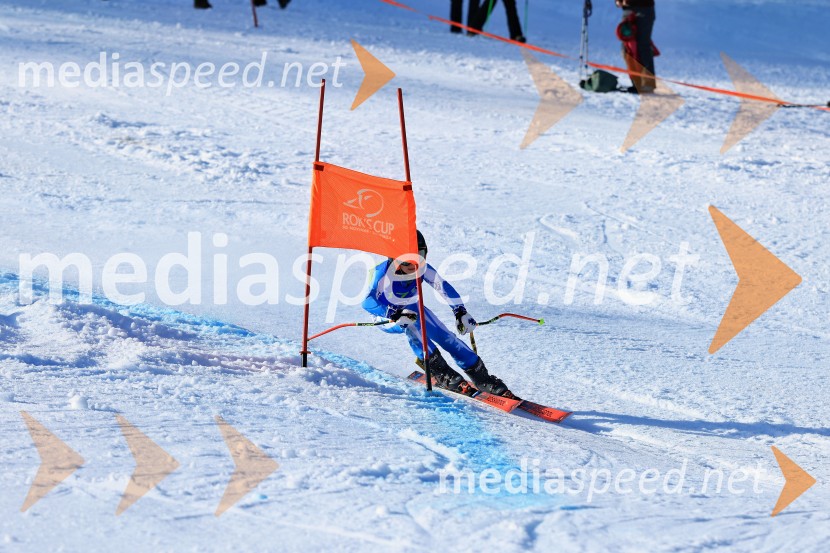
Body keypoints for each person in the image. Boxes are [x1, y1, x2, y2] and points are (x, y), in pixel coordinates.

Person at [362, 230, 512, 397]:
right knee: (411, 326)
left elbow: (443, 286)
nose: (413, 264)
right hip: (385, 316)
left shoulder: (422, 267)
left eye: (419, 255)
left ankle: (482, 377)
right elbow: (368, 302)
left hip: (412, 309)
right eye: (406, 261)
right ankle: (441, 372)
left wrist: (460, 312)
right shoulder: (382, 273)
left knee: (444, 335)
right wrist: (392, 313)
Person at [615, 0, 656, 93]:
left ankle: (648, 84)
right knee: (627, 47)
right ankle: (636, 83)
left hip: (644, 9)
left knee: (642, 46)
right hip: (628, 9)